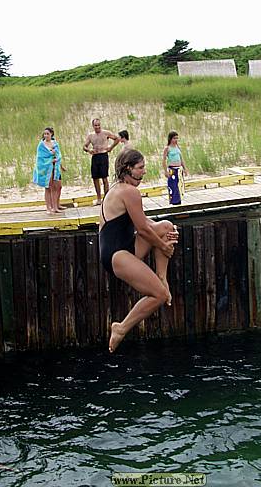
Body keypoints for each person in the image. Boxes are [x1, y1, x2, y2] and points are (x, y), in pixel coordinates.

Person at [99, 149, 179, 353]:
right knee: (159, 296)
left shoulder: (121, 188)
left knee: (167, 227)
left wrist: (168, 234)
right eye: (140, 168)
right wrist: (163, 247)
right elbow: (143, 230)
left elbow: (145, 223)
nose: (144, 172)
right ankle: (121, 328)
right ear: (128, 169)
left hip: (127, 247)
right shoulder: (128, 191)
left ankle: (162, 277)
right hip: (116, 254)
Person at [83, 118, 119, 205]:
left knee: (104, 178)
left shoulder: (106, 133)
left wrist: (110, 147)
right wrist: (89, 150)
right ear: (93, 126)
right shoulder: (91, 135)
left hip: (103, 156)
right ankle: (99, 198)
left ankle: (106, 198)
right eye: (95, 125)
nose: (97, 127)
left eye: (99, 125)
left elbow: (117, 139)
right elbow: (84, 146)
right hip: (95, 156)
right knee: (95, 178)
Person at [33, 127, 67, 214]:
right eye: (45, 134)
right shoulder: (42, 145)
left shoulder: (55, 143)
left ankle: (56, 206)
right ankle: (49, 207)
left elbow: (58, 155)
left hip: (56, 168)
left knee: (57, 186)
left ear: (51, 134)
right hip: (47, 168)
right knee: (48, 188)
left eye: (48, 134)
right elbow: (40, 158)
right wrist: (49, 161)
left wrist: (61, 165)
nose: (46, 135)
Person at [162, 131, 189, 205]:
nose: (176, 140)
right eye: (174, 138)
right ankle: (174, 202)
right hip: (172, 169)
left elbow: (181, 159)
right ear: (170, 139)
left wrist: (185, 169)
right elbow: (164, 160)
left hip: (179, 169)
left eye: (177, 138)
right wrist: (165, 171)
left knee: (179, 186)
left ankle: (179, 201)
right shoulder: (167, 148)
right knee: (173, 186)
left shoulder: (177, 147)